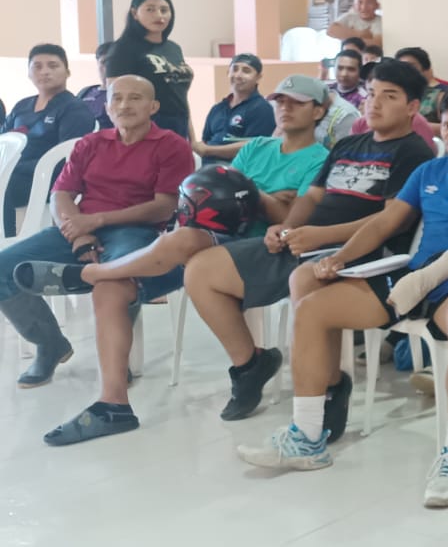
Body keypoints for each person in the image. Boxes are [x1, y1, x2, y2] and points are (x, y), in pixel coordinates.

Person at [239, 86, 448, 510]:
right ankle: (307, 437)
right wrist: (340, 258)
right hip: (419, 271)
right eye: (447, 126)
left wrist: (422, 280)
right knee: (313, 308)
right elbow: (384, 223)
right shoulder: (430, 171)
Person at [20, 77, 330, 446]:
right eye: (280, 101)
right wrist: (261, 196)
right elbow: (219, 192)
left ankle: (86, 273)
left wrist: (251, 194)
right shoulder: (257, 147)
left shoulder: (321, 160)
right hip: (218, 232)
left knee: (177, 240)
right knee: (111, 287)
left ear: (319, 111)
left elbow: (286, 215)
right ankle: (113, 405)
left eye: (297, 102)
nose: (285, 108)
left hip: (261, 244)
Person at [180, 60, 433, 424]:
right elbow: (312, 198)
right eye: (371, 94)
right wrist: (286, 228)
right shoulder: (348, 144)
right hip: (305, 242)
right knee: (201, 270)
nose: (374, 103)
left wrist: (320, 236)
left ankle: (328, 390)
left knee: (306, 282)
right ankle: (250, 365)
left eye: (389, 96)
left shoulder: (413, 152)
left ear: (412, 107)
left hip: (356, 254)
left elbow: (391, 221)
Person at [0, 76, 191, 389]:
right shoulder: (91, 143)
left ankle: (115, 360)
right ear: (107, 107)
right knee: (3, 268)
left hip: (136, 231)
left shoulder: (172, 145)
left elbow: (164, 207)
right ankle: (50, 343)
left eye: (135, 98)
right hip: (80, 228)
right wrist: (79, 234)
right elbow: (60, 194)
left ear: (153, 106)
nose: (124, 105)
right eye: (117, 98)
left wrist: (97, 221)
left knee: (115, 277)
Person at [4, 44, 96, 237]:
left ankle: (6, 242)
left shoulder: (74, 109)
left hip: (46, 180)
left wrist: (14, 167)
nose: (44, 71)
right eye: (37, 66)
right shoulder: (22, 106)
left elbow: (69, 159)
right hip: (11, 173)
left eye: (53, 66)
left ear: (67, 72)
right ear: (29, 73)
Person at [106, 0, 193, 136]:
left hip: (178, 126)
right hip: (144, 129)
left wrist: (192, 138)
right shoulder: (122, 49)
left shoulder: (174, 48)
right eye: (150, 9)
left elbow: (180, 96)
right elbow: (115, 98)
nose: (158, 15)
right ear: (135, 13)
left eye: (164, 10)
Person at [196, 54, 276, 162]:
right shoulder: (217, 109)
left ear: (258, 77)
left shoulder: (262, 109)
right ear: (228, 73)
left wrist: (209, 150)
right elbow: (205, 141)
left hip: (237, 170)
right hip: (208, 168)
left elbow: (255, 147)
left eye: (246, 71)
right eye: (235, 69)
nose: (238, 75)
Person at [396, 47, 448, 125]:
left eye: (411, 66)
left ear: (424, 67)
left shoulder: (442, 93)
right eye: (401, 67)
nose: (406, 70)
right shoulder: (400, 93)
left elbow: (447, 126)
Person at [75, 42, 114, 130]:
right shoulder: (85, 92)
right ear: (97, 64)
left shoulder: (126, 94)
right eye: (104, 62)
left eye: (113, 62)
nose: (108, 67)